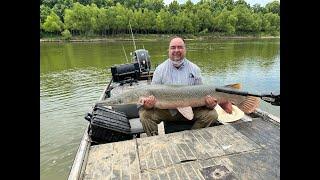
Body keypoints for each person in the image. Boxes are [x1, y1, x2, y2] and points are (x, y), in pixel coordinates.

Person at [139, 36, 218, 136]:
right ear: (168, 50)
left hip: (191, 109)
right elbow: (152, 95)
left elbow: (201, 93)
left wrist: (209, 104)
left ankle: (192, 136)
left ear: (185, 49)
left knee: (212, 115)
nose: (176, 50)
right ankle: (155, 140)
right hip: (167, 112)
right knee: (144, 115)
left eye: (180, 47)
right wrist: (148, 104)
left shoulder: (195, 69)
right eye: (173, 47)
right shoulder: (160, 70)